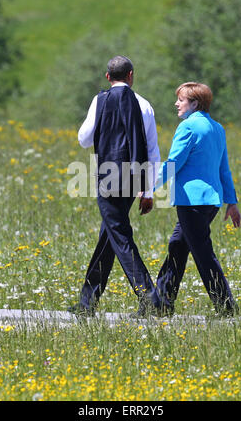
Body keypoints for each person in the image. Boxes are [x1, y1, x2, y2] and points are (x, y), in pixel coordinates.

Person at [68, 55, 161, 317]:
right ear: (132, 75)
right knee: (109, 235)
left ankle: (150, 297)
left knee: (119, 236)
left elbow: (84, 140)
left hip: (108, 177)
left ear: (108, 77)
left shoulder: (100, 100)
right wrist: (148, 190)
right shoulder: (144, 105)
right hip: (134, 179)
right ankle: (88, 302)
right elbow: (152, 150)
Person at [154, 82, 241, 317]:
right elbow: (224, 169)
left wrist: (147, 187)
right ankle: (160, 304)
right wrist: (231, 202)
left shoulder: (188, 127)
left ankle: (226, 307)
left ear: (194, 103)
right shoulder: (217, 128)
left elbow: (173, 163)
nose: (176, 104)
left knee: (203, 253)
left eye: (180, 100)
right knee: (178, 248)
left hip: (190, 202)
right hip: (210, 202)